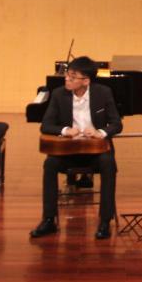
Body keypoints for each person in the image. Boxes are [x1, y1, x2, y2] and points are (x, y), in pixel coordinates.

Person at [31, 56, 123, 240]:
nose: (67, 79)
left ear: (86, 81)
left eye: (73, 77)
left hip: (96, 150)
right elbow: (45, 125)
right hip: (68, 151)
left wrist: (100, 132)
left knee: (108, 164)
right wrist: (65, 130)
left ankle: (105, 221)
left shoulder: (103, 93)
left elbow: (116, 124)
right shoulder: (59, 94)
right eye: (67, 75)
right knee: (50, 164)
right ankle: (49, 220)